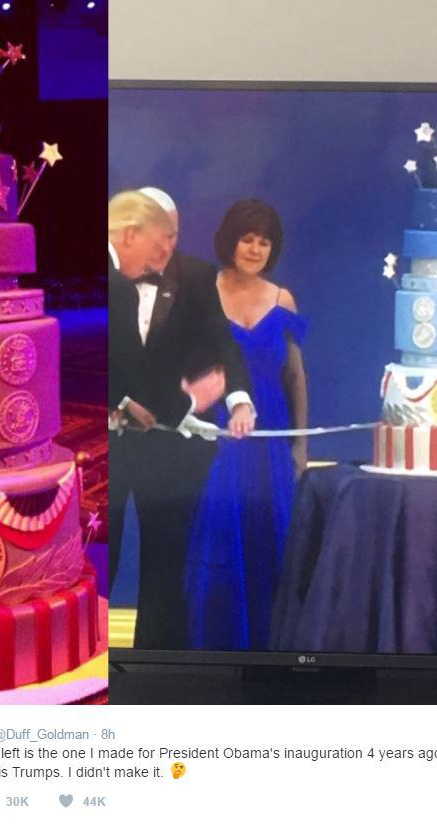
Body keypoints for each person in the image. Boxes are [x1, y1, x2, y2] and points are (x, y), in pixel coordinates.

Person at [109, 188, 255, 648]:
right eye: (160, 237)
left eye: (173, 236)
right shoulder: (113, 281)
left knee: (166, 568)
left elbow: (221, 346)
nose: (167, 249)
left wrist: (238, 399)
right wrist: (186, 404)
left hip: (169, 451)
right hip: (108, 447)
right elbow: (122, 363)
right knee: (97, 558)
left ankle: (154, 676)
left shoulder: (195, 277)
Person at [185, 199, 308, 650]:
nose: (255, 248)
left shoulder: (282, 299)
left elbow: (295, 376)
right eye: (247, 237)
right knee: (221, 536)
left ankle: (273, 646)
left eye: (264, 241)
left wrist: (298, 447)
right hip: (216, 437)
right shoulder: (203, 290)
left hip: (271, 438)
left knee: (271, 536)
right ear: (230, 240)